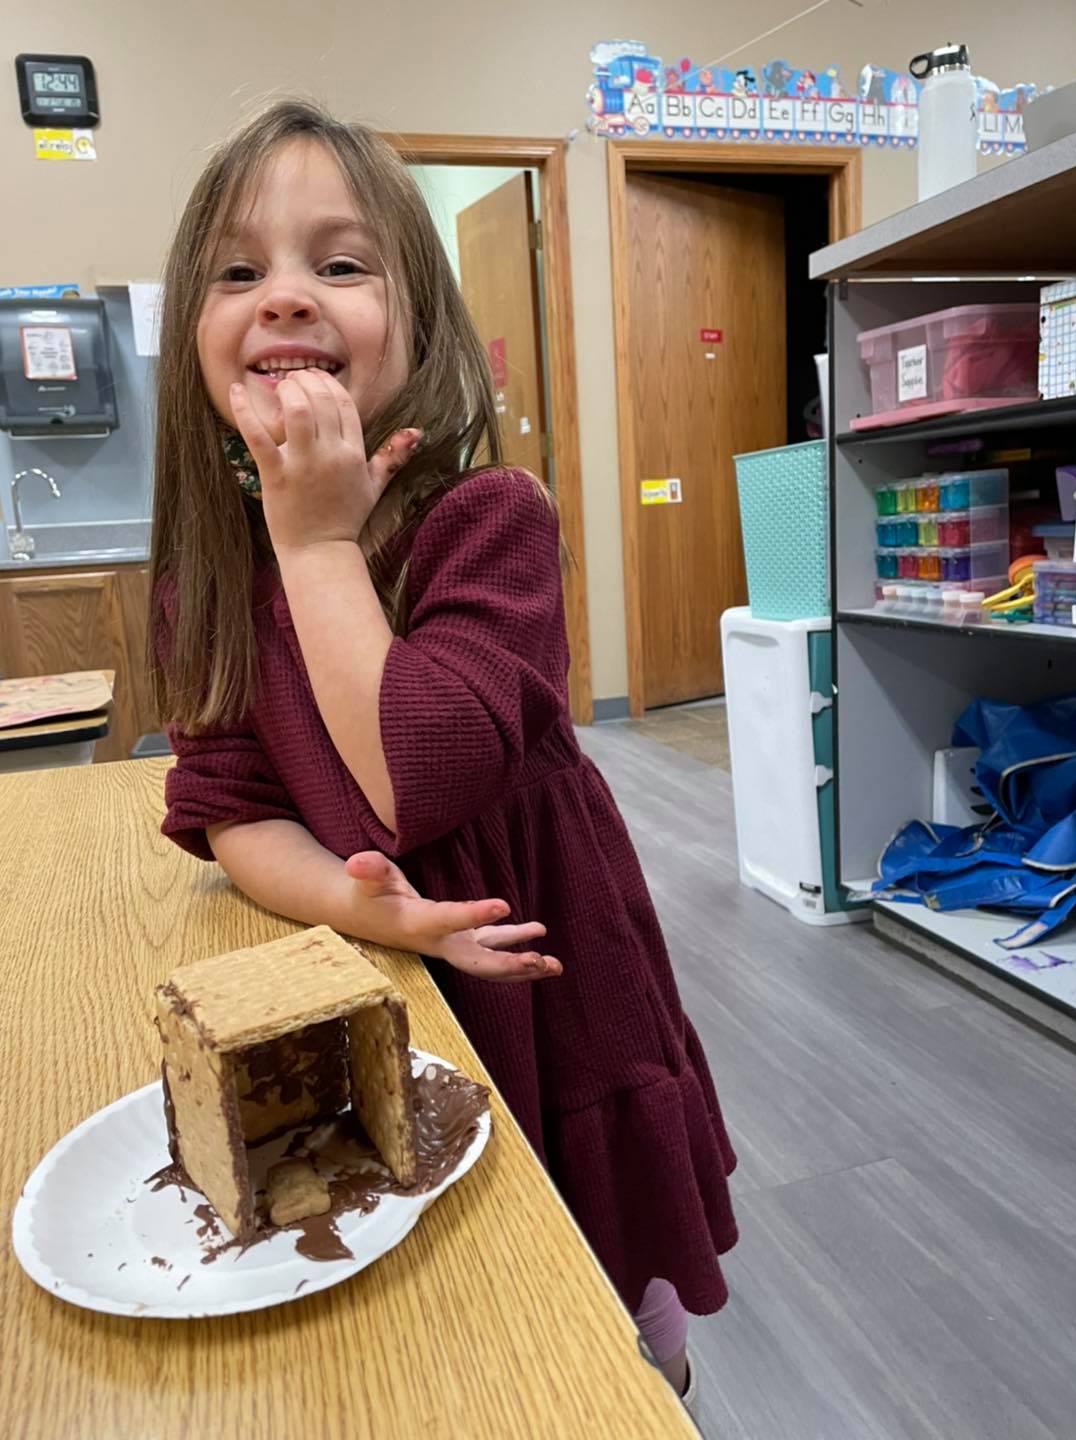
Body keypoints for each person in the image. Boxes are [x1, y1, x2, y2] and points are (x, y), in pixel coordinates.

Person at [150, 99, 738, 1399]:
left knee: (588, 1226)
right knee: (427, 1260)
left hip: (544, 959)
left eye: (339, 263)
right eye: (237, 271)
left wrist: (315, 545)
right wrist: (369, 906)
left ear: (418, 324)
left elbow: (425, 776)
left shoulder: (489, 517)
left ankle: (638, 1378)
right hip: (396, 955)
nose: (285, 296)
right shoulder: (206, 575)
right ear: (189, 338)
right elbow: (227, 806)